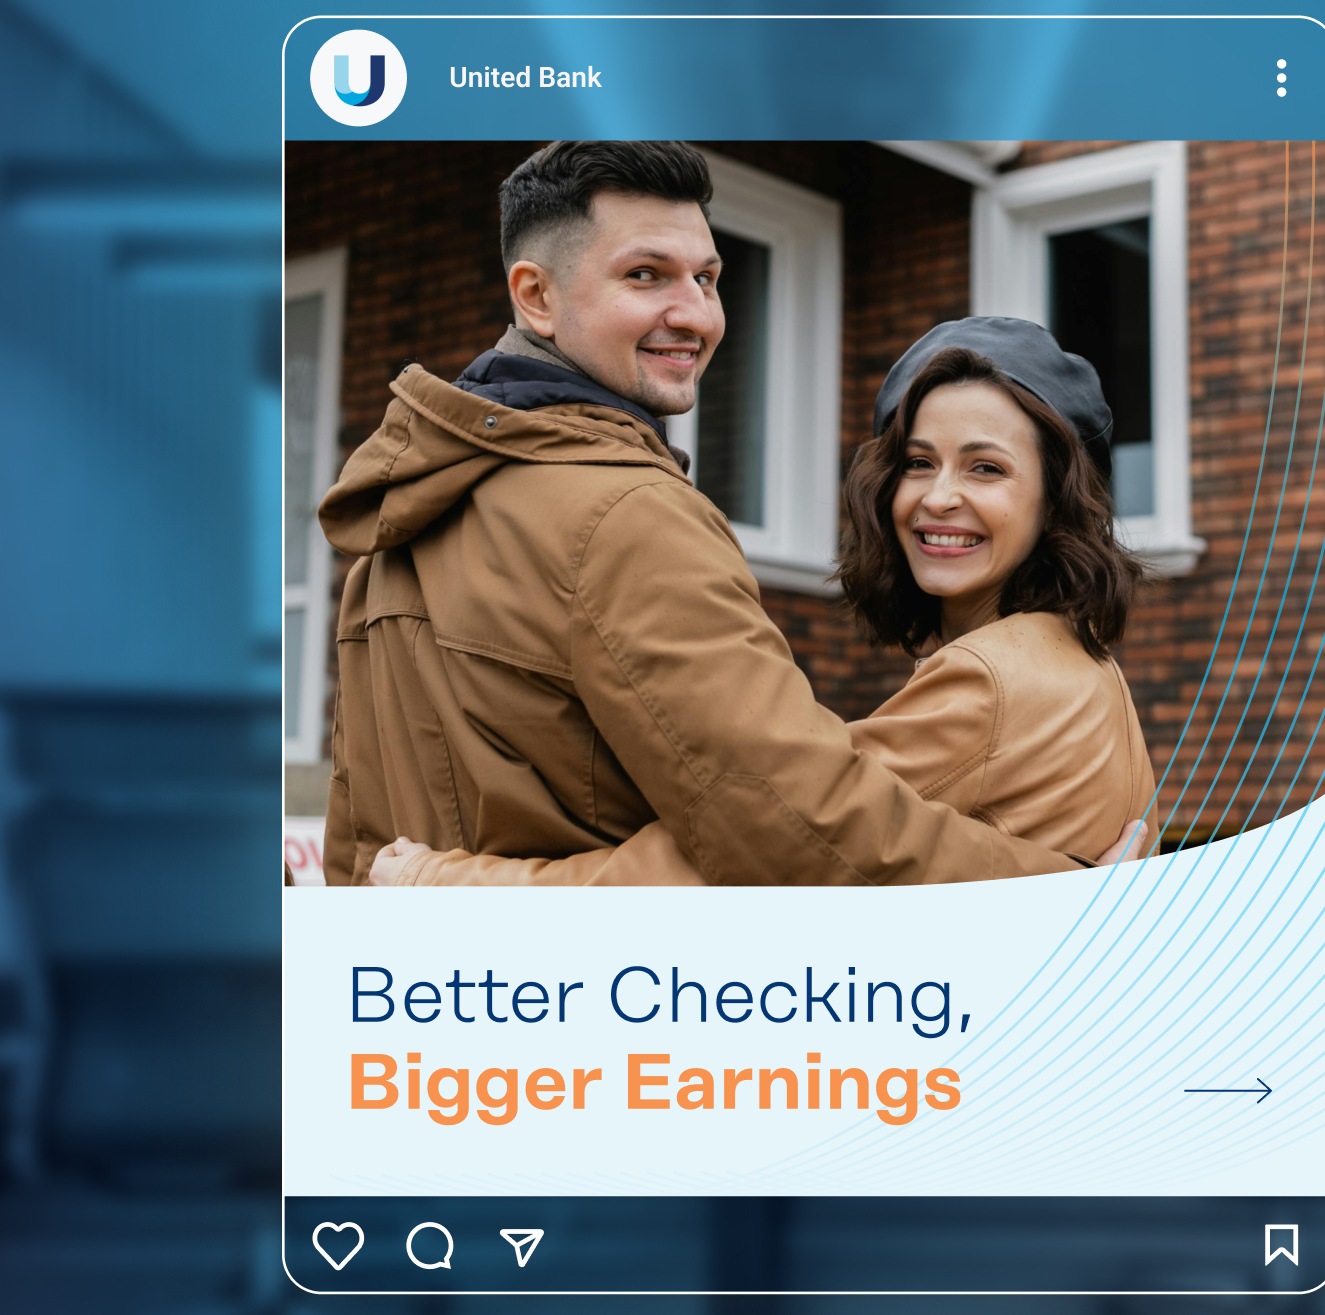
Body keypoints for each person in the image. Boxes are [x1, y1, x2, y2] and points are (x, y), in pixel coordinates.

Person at [320, 144, 1109, 889]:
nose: (696, 315)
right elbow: (798, 828)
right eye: (646, 275)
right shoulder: (627, 513)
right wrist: (1079, 898)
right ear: (536, 295)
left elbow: (358, 848)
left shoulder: (406, 514)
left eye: (707, 278)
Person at [370, 317, 1157, 888]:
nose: (938, 497)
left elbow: (759, 850)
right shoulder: (1077, 659)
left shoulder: (995, 677)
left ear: (1057, 501)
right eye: (919, 462)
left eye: (985, 469)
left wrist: (443, 882)